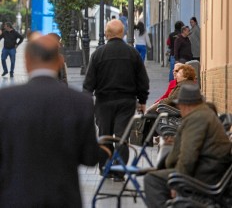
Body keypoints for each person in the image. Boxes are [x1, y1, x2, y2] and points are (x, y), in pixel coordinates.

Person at [0, 33, 99, 207]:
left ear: (27, 60)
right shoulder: (80, 103)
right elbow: (90, 158)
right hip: (62, 199)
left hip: (15, 198)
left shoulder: (5, 101)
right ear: (60, 61)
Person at [144, 84, 232, 208]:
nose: (179, 108)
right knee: (157, 175)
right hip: (208, 170)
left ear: (186, 105)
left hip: (205, 174)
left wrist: (177, 184)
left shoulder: (197, 118)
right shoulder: (203, 114)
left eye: (179, 105)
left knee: (152, 180)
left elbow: (188, 157)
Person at [83, 19, 149, 180]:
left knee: (104, 135)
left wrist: (86, 101)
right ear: (123, 33)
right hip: (126, 102)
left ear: (106, 34)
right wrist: (142, 101)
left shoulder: (98, 54)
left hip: (103, 102)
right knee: (122, 137)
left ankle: (106, 167)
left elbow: (89, 83)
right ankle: (119, 171)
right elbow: (143, 80)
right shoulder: (132, 53)